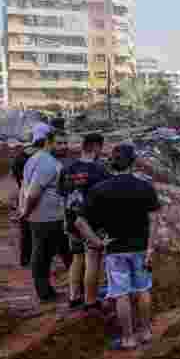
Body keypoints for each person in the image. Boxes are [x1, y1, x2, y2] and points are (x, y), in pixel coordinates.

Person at [85, 143, 161, 350]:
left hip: (115, 250)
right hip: (140, 248)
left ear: (111, 164)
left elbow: (80, 220)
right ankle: (145, 332)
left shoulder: (99, 190)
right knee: (143, 289)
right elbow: (154, 220)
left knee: (121, 294)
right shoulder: (145, 187)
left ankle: (128, 338)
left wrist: (97, 242)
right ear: (133, 162)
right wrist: (150, 249)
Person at [19, 126, 73, 303]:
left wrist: (24, 210)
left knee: (43, 254)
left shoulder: (35, 159)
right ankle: (75, 290)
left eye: (66, 143)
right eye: (59, 143)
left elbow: (24, 189)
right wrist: (25, 212)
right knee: (62, 253)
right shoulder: (47, 163)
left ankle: (47, 292)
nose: (64, 147)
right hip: (49, 218)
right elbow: (33, 192)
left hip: (43, 217)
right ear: (48, 143)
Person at [57, 133, 110, 311]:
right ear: (96, 147)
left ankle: (73, 296)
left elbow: (62, 194)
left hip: (71, 219)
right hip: (90, 222)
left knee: (77, 257)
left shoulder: (67, 169)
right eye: (100, 148)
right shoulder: (100, 171)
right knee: (92, 259)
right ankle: (91, 300)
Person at [11, 124, 49, 267]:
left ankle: (26, 260)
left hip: (25, 196)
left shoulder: (20, 157)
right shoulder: (44, 156)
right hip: (41, 198)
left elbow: (18, 179)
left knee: (26, 230)